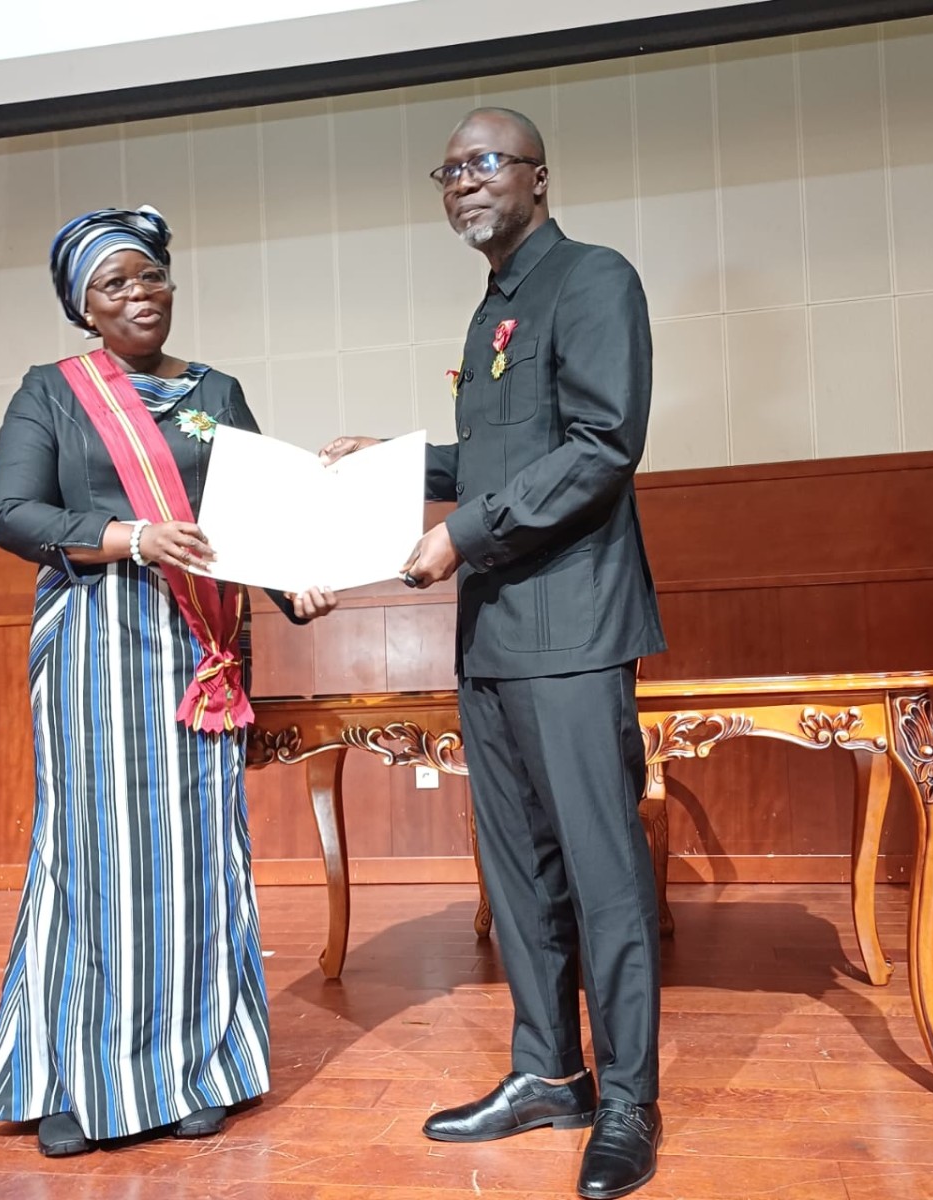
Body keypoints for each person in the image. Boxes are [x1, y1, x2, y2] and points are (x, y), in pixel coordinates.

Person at [321, 109, 667, 1199]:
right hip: (496, 636)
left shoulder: (595, 278)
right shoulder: (490, 318)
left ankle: (627, 1102)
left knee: (605, 876)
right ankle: (546, 1072)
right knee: (519, 876)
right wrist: (404, 464)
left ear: (539, 177)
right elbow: (502, 456)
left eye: (484, 164)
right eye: (448, 171)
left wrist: (460, 533)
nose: (463, 184)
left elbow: (604, 445)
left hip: (574, 628)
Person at [0, 205, 337, 1158]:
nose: (139, 296)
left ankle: (191, 1068)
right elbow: (12, 512)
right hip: (97, 639)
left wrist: (297, 581)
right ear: (83, 307)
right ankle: (73, 1073)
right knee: (95, 853)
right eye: (114, 285)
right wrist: (129, 537)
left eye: (150, 278)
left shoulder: (218, 390)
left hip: (199, 646)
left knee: (190, 855)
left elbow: (263, 518)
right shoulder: (53, 391)